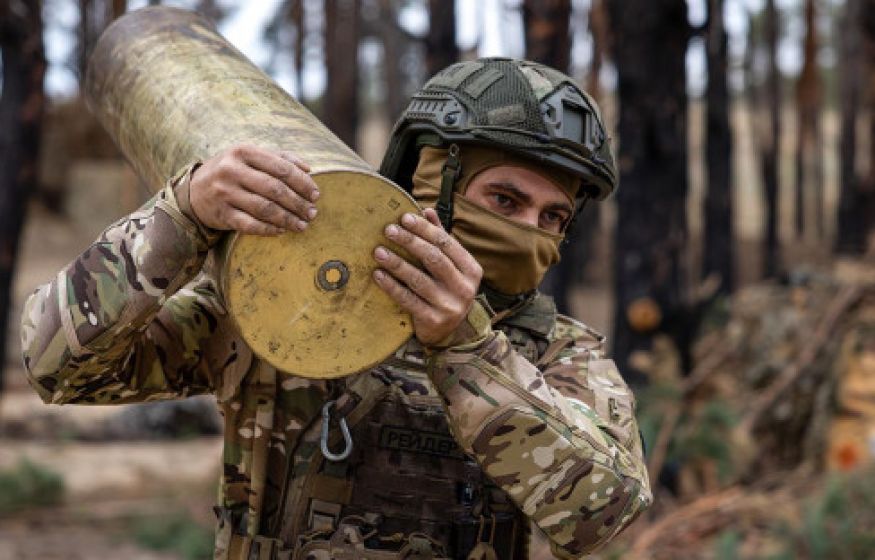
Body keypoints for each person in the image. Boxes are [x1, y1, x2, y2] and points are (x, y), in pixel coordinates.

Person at [21, 58, 651, 559]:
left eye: (553, 217)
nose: (529, 233)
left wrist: (467, 351)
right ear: (431, 180)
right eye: (506, 201)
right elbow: (55, 361)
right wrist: (180, 219)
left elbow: (601, 516)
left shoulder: (561, 352)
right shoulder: (288, 300)